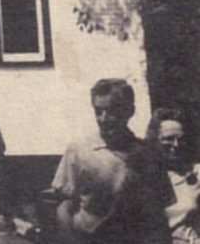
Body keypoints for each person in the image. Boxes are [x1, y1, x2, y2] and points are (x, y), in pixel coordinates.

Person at [51, 78, 172, 244]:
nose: (103, 118)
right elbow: (64, 206)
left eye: (112, 111)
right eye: (98, 111)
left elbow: (159, 214)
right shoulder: (79, 150)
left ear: (130, 111)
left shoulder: (149, 154)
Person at [147, 108, 200, 243]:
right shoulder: (144, 178)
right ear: (154, 140)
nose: (176, 145)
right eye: (168, 139)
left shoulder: (196, 172)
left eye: (180, 139)